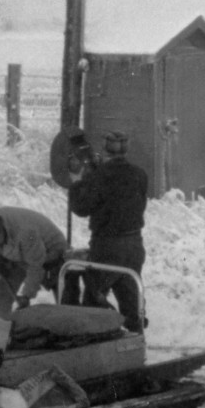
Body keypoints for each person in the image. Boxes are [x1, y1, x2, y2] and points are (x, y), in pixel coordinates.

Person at [68, 129, 149, 333]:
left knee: (93, 300)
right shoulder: (140, 174)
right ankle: (135, 340)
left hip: (107, 245)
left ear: (104, 150)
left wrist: (77, 181)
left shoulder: (99, 176)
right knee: (131, 299)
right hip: (134, 244)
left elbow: (81, 208)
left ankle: (96, 342)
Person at [0, 207, 73, 318]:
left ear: (0, 229)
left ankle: (69, 319)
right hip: (21, 251)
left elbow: (36, 266)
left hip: (53, 252)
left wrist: (26, 296)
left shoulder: (26, 232)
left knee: (64, 299)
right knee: (3, 290)